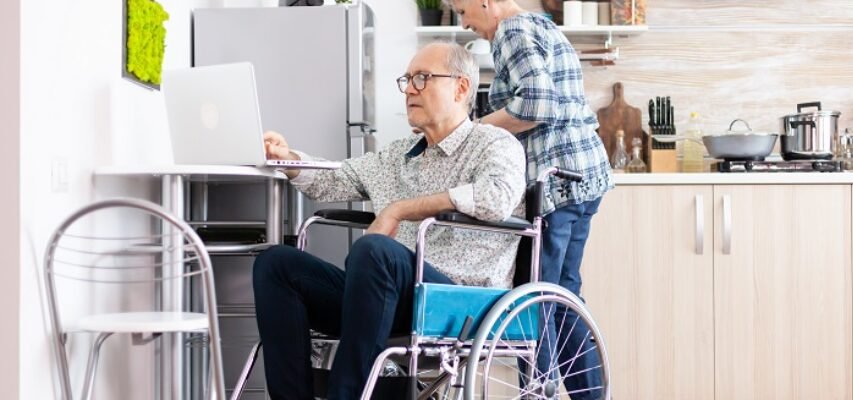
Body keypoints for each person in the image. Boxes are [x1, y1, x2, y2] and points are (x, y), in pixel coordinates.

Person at [252, 42, 526, 400]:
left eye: (423, 78)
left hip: (458, 301)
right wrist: (286, 157)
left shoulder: (494, 144)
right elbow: (332, 179)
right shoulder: (399, 155)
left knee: (376, 250)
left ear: (461, 87)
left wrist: (399, 209)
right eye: (408, 79)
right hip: (380, 297)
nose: (410, 89)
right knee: (275, 264)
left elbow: (496, 197)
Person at [449, 0, 613, 398]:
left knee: (534, 295)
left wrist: (471, 130)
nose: (465, 23)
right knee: (563, 295)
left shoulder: (510, 31)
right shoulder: (540, 25)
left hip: (557, 178)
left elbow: (537, 105)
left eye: (462, 10)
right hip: (584, 173)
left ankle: (541, 391)